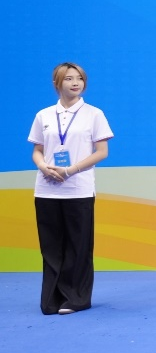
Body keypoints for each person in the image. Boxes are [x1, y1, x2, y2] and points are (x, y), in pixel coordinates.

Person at [28, 62, 113, 315]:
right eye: (69, 79)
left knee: (79, 246)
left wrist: (71, 170)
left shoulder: (94, 114)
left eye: (79, 78)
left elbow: (102, 152)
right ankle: (52, 299)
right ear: (57, 83)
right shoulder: (44, 115)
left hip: (78, 188)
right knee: (51, 246)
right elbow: (37, 150)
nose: (75, 83)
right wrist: (43, 166)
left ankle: (76, 298)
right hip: (46, 188)